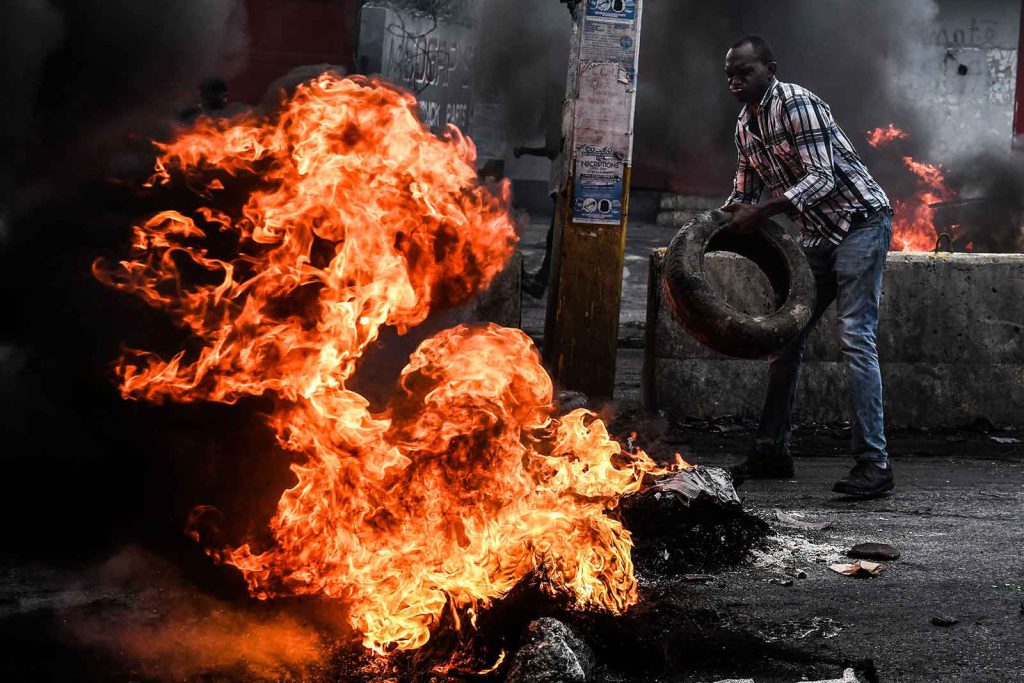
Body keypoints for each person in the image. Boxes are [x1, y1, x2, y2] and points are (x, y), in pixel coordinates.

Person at [720, 35, 895, 497]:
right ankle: (771, 451)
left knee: (855, 337)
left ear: (770, 68)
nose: (736, 81)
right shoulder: (744, 127)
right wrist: (715, 228)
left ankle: (874, 465)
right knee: (785, 334)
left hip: (859, 222)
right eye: (731, 75)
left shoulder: (798, 104)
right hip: (817, 237)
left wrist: (762, 212)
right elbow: (741, 196)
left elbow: (823, 176)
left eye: (746, 72)